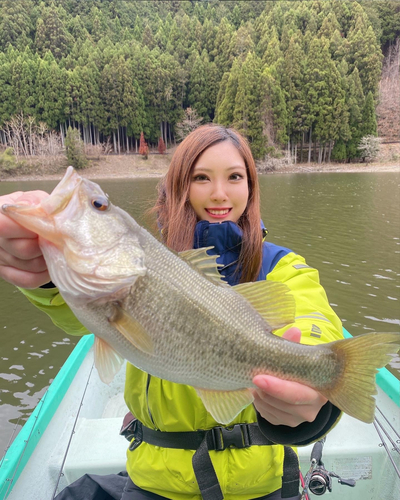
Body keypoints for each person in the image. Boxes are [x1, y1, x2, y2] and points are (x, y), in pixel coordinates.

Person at [0, 124, 343, 500]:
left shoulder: (283, 267)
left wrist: (313, 395)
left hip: (261, 485)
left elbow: (316, 325)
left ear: (251, 187)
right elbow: (74, 309)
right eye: (200, 177)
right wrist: (45, 276)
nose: (219, 193)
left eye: (234, 177)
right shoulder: (138, 266)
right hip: (155, 485)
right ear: (179, 185)